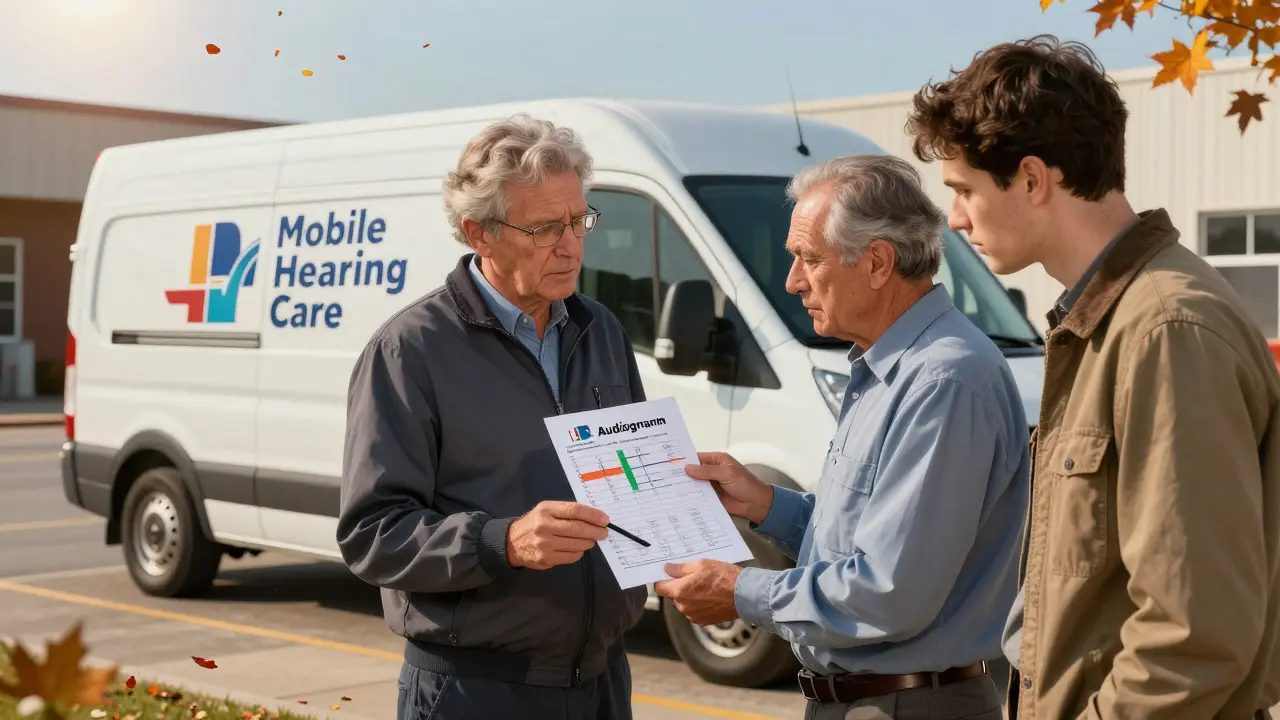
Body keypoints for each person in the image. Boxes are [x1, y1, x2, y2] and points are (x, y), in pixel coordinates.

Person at [905, 34, 1280, 720]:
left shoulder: (1165, 332)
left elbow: (1192, 638)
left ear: (1031, 179)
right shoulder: (1106, 324)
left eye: (963, 190)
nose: (954, 219)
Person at [655, 154, 1030, 720]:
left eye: (808, 258)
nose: (792, 281)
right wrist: (764, 504)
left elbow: (888, 591)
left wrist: (739, 592)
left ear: (877, 262)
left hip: (907, 703)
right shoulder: (888, 368)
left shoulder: (944, 379)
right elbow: (868, 544)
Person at [337, 114, 648, 720]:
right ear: (479, 233)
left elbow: (634, 474)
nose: (570, 245)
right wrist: (501, 540)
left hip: (603, 682)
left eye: (578, 221)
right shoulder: (410, 351)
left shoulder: (601, 330)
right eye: (544, 228)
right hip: (475, 692)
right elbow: (372, 534)